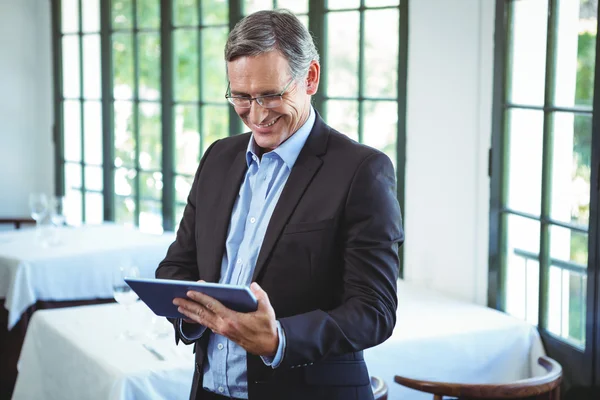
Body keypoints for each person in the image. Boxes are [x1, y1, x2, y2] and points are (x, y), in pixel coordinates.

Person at [156, 9, 404, 400]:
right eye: (240, 96)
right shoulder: (217, 158)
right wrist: (195, 314)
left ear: (310, 78)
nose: (256, 114)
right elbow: (177, 265)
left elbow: (373, 311)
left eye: (271, 95)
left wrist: (279, 339)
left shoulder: (362, 171)